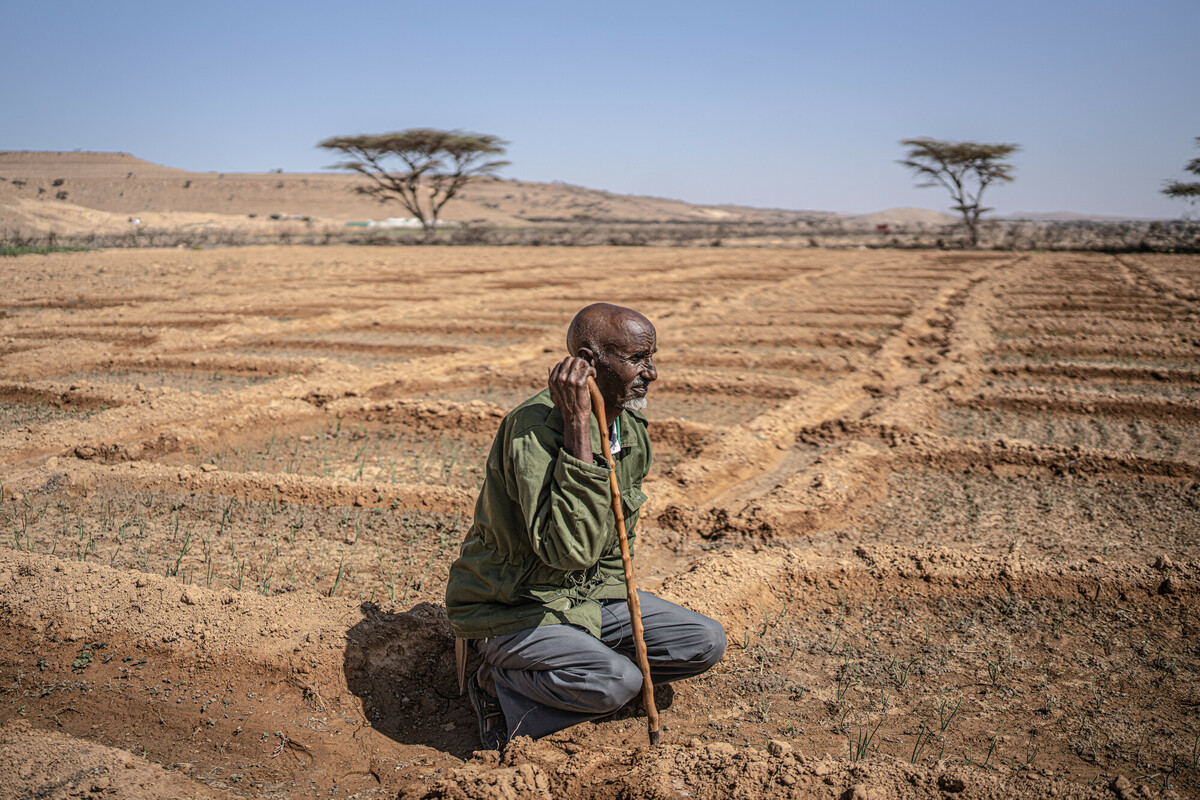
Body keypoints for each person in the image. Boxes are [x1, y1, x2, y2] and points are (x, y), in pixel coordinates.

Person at [445, 303, 726, 749]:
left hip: (589, 598)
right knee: (616, 682)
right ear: (588, 363)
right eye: (637, 359)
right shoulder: (533, 429)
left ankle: (576, 662)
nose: (651, 372)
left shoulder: (630, 426)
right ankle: (496, 681)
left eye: (651, 357)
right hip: (512, 606)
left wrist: (604, 616)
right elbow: (568, 552)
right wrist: (578, 426)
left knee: (703, 641)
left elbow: (616, 546)